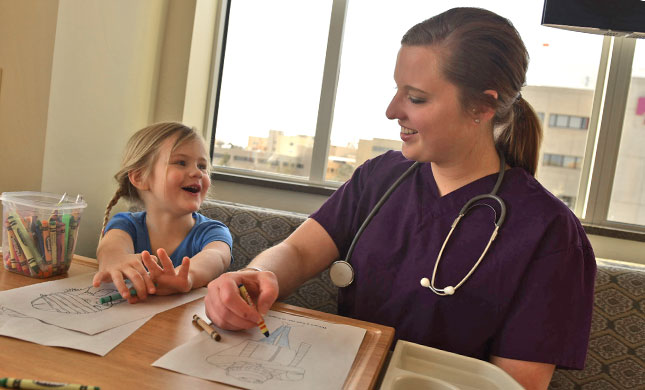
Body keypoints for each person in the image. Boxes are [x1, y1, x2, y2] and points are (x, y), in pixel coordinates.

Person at [203, 8, 596, 389]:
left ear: (482, 106)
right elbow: (298, 253)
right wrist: (258, 276)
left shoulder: (550, 234)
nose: (392, 111)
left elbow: (515, 385)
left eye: (417, 98)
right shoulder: (379, 177)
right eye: (396, 91)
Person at [93, 122, 232, 304]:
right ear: (140, 177)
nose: (197, 173)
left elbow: (216, 258)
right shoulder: (125, 224)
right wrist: (115, 261)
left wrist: (186, 277)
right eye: (181, 163)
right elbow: (110, 250)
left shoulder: (213, 232)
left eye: (202, 166)